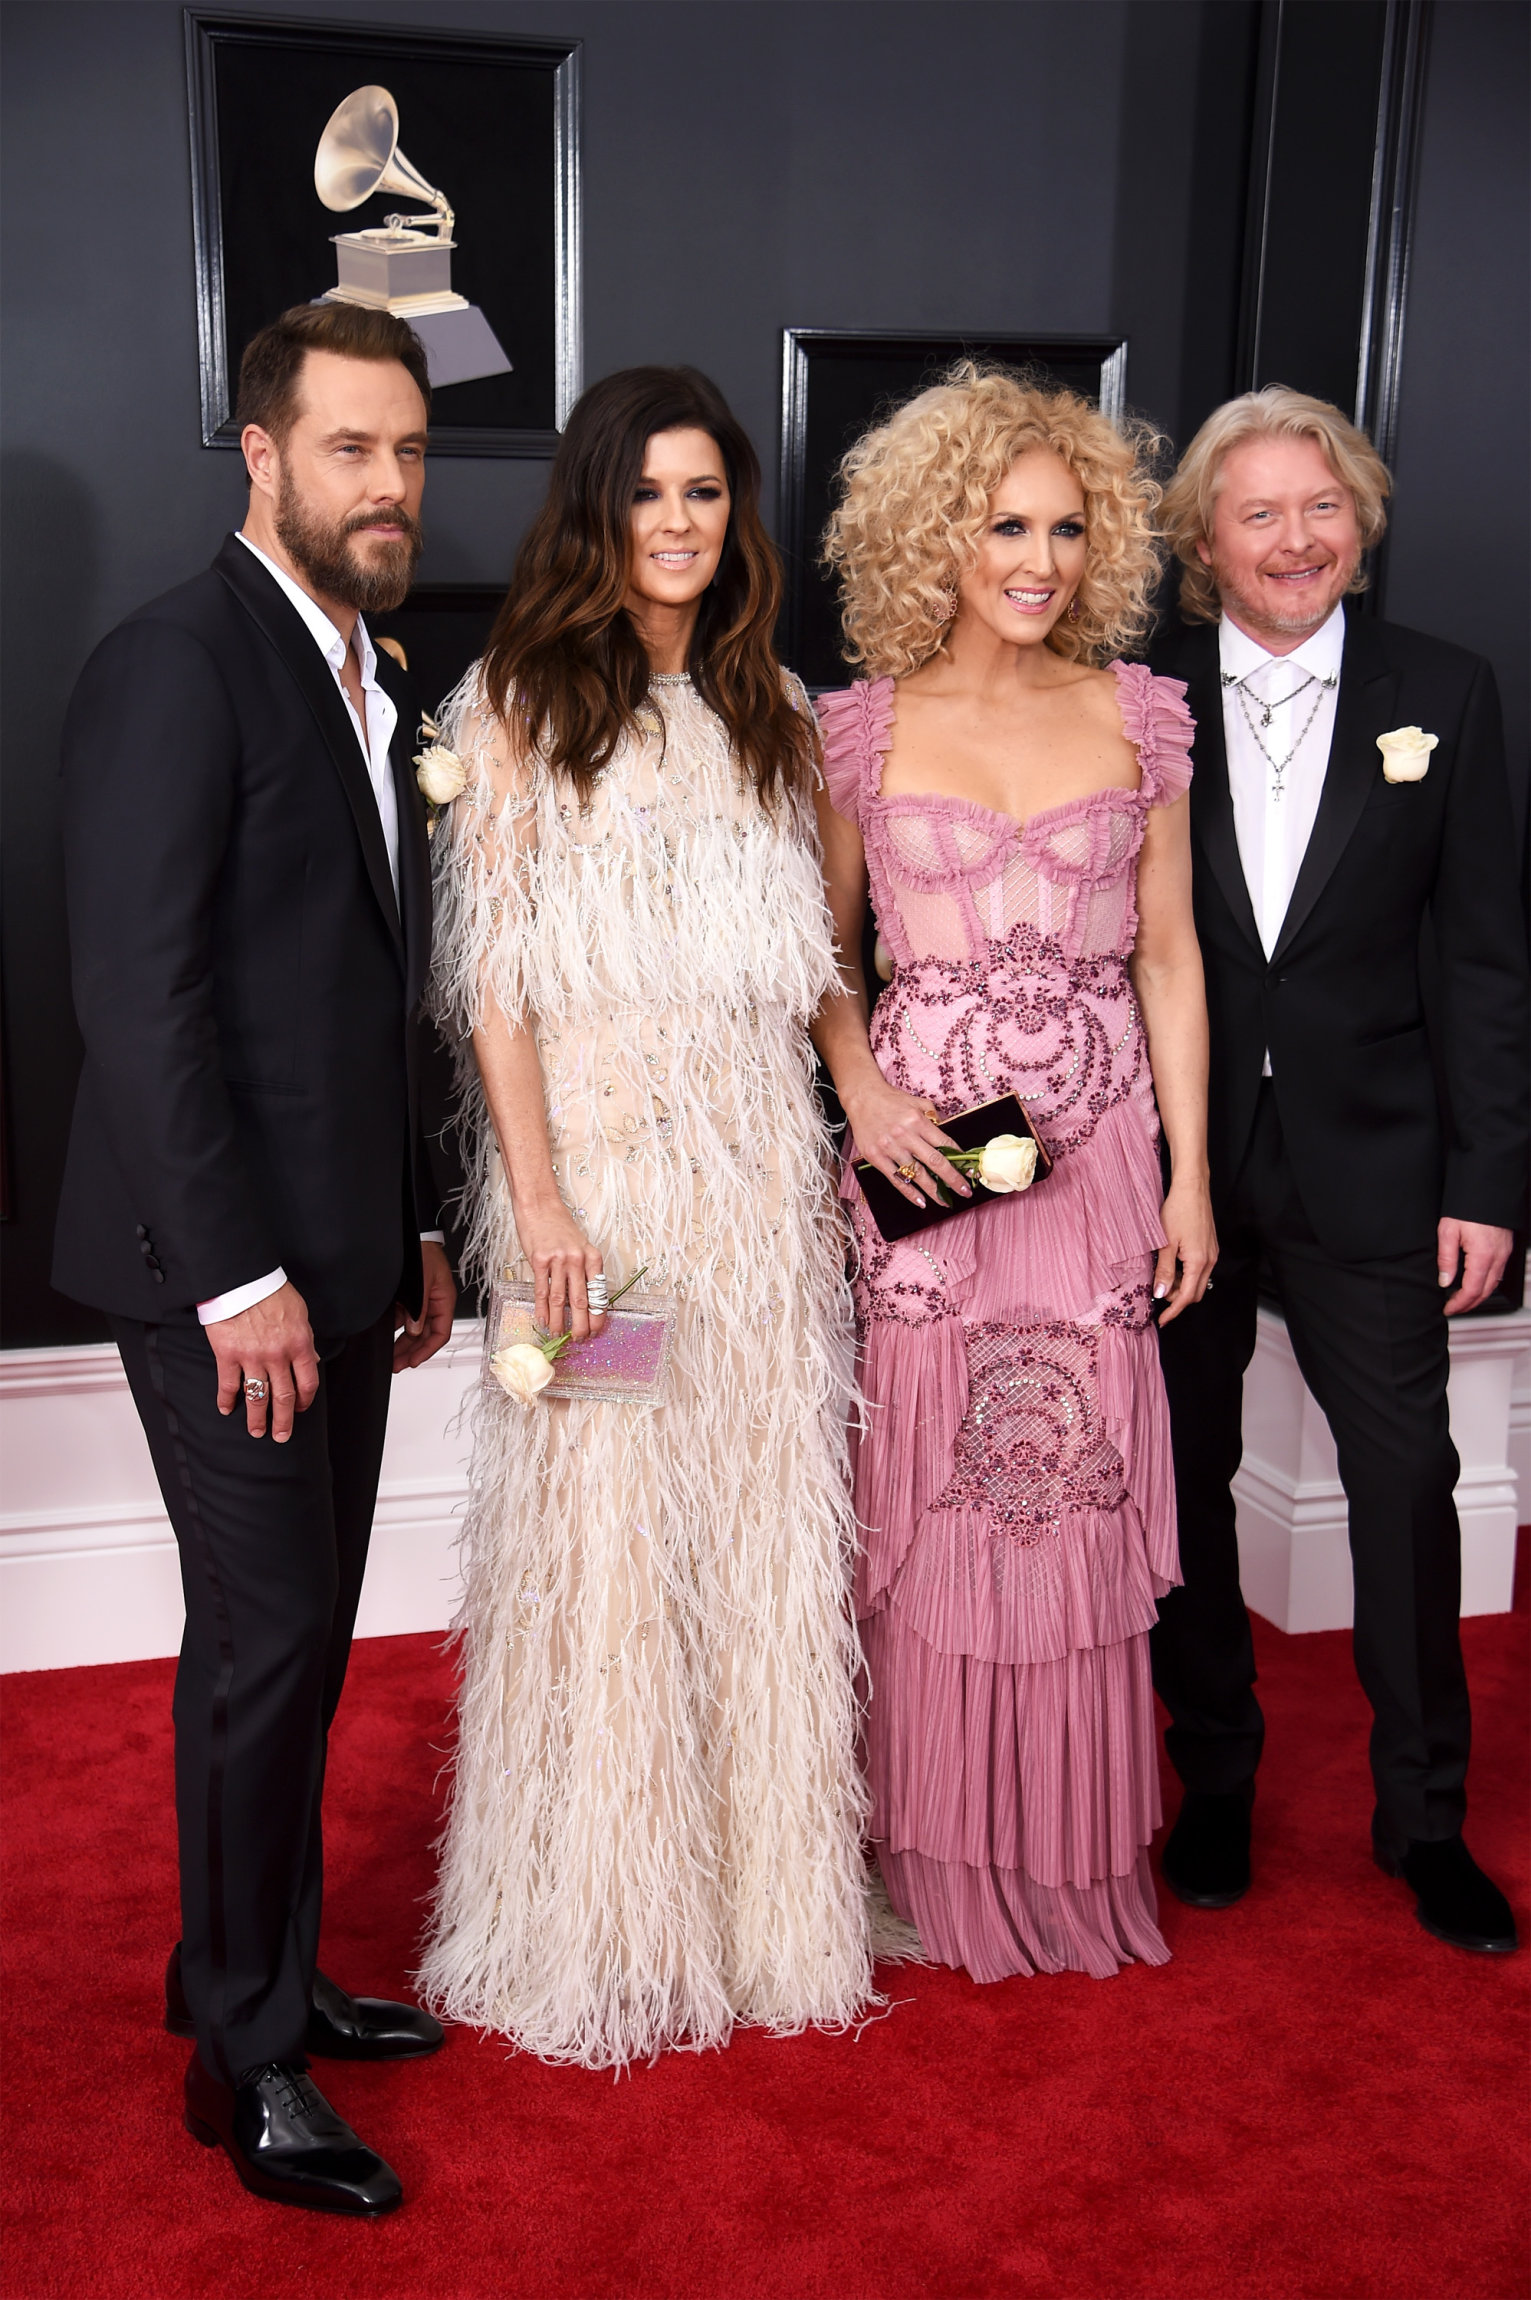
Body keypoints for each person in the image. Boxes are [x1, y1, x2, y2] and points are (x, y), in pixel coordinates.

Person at [418, 366, 875, 2066]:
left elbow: (823, 964)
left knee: (759, 1544)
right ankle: (609, 1908)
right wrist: (538, 1201)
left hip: (758, 1179)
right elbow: (496, 987)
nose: (679, 525)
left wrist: (863, 1101)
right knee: (604, 1553)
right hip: (601, 1191)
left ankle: (766, 1913)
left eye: (704, 495)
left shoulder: (780, 709)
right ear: (596, 511)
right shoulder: (516, 703)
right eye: (648, 495)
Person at [53, 303, 458, 2215]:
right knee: (270, 1648)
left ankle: (258, 1974)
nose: (388, 485)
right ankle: (247, 2058)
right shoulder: (180, 664)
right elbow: (142, 1004)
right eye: (350, 449)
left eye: (409, 451)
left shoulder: (379, 673)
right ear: (261, 451)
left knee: (291, 1651)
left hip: (345, 1264)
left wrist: (419, 1227)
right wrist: (236, 1280)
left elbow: (381, 996)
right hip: (221, 1278)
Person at [812, 365, 1216, 1981]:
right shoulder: (863, 724)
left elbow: (1174, 957)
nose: (1037, 560)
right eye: (1002, 526)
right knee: (934, 1489)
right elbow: (821, 952)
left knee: (1076, 1492)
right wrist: (857, 1094)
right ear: (936, 536)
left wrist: (1189, 1182)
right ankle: (929, 1850)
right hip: (930, 1158)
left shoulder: (1138, 714)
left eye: (1064, 527)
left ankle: (1061, 1859)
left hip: (1103, 1153)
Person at [1149, 386, 1527, 1953]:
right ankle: (1214, 1785)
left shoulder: (1448, 688)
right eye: (1262, 512)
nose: (1296, 539)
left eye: (1324, 509)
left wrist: (1491, 1177)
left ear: (1359, 528)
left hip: (1384, 1172)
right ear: (1205, 543)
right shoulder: (1135, 702)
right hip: (1182, 1174)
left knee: (1407, 1492)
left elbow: (1487, 958)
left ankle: (1424, 1821)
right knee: (1181, 1486)